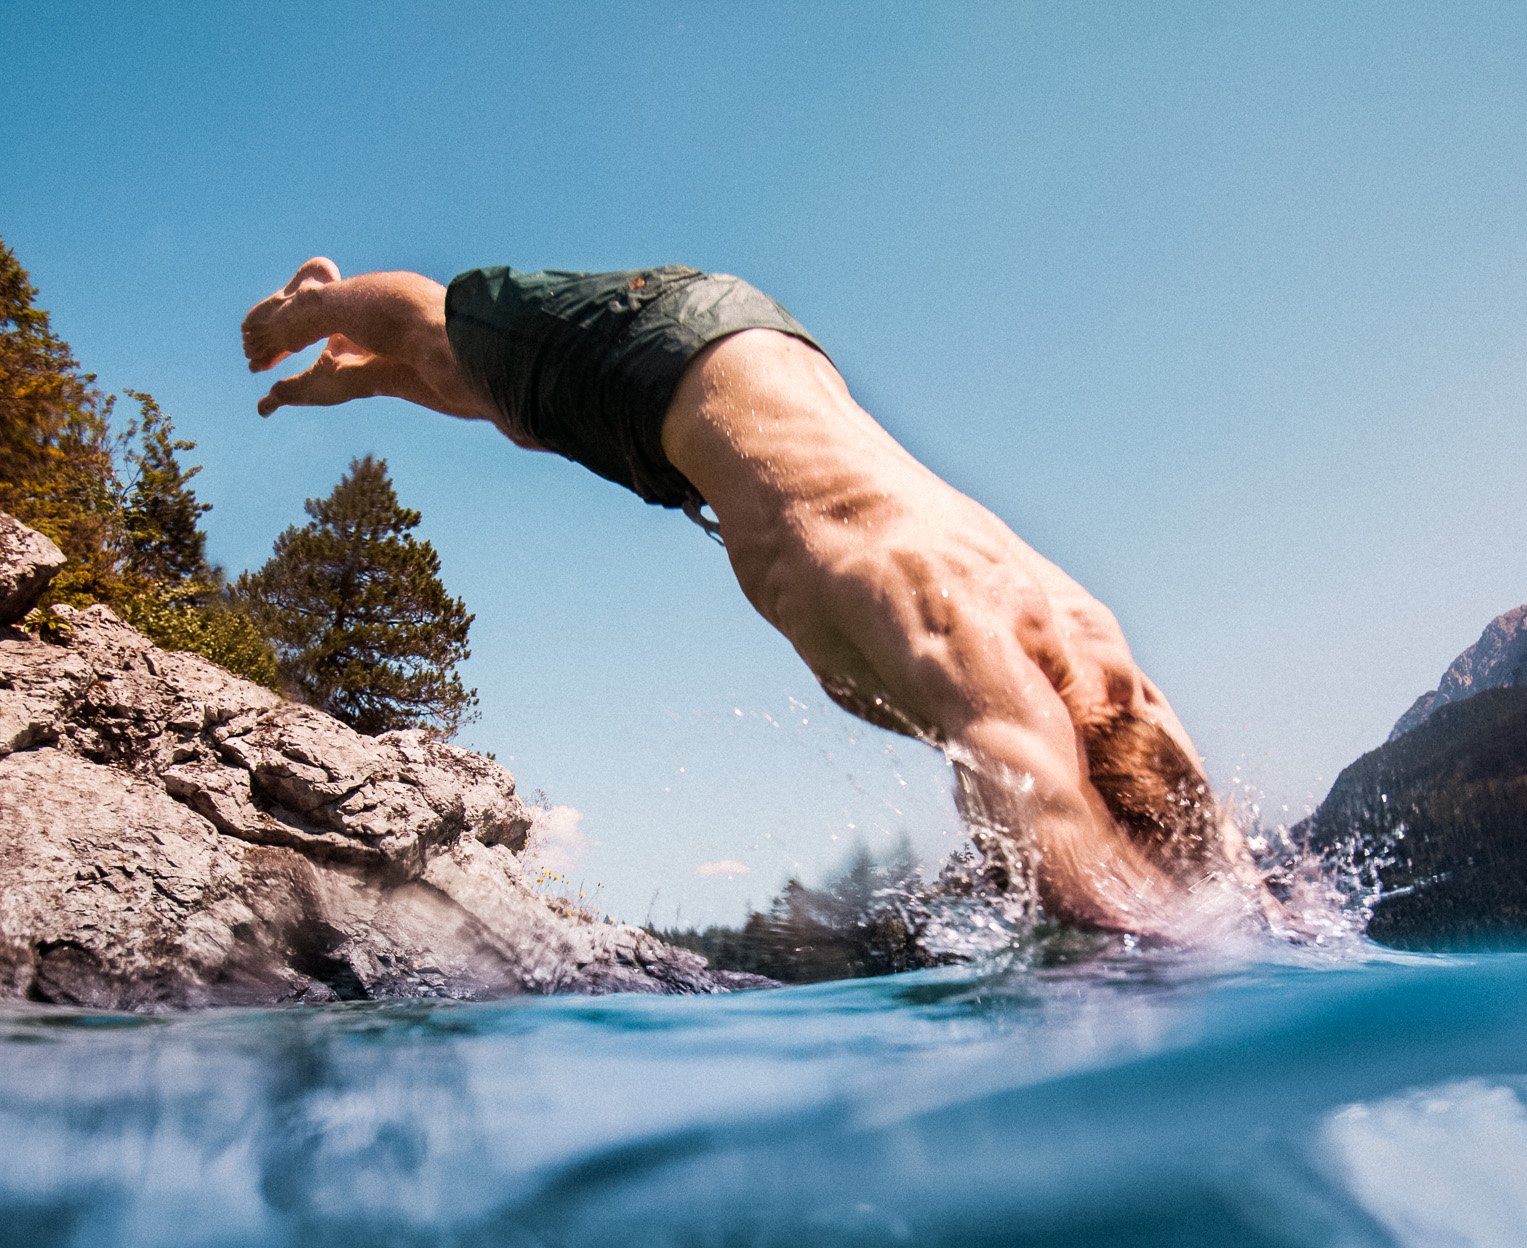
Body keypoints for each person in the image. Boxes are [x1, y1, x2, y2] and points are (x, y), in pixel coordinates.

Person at [242, 259, 1253, 934]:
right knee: (438, 333)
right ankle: (321, 304)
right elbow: (1055, 815)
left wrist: (1255, 920)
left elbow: (1218, 855)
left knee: (521, 412)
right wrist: (1167, 963)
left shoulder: (1102, 665)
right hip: (679, 354)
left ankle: (354, 377)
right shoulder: (954, 630)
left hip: (753, 373)